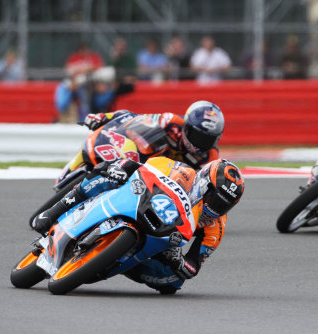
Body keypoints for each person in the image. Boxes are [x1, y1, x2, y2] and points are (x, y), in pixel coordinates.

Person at [31, 156, 244, 295]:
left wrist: (182, 263)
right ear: (203, 183)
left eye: (224, 206)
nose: (216, 208)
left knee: (173, 283)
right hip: (136, 202)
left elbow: (195, 264)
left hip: (162, 238)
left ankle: (120, 262)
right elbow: (138, 165)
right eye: (215, 200)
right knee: (105, 173)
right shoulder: (178, 170)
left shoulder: (216, 227)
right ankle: (54, 212)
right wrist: (122, 167)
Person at [75, 100, 224, 168]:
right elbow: (135, 118)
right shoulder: (171, 122)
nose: (198, 142)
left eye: (206, 139)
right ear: (186, 126)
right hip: (144, 160)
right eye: (196, 135)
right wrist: (105, 117)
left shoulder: (210, 158)